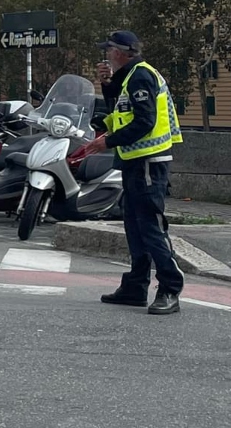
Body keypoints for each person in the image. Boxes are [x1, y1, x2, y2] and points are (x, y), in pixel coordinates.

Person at [77, 30, 185, 315]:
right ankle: (136, 286)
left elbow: (145, 121)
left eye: (109, 50)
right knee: (135, 228)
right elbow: (121, 111)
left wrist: (107, 141)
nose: (106, 55)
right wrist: (107, 85)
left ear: (122, 52)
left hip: (149, 160)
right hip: (134, 161)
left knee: (150, 227)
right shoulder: (128, 77)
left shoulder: (141, 76)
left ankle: (170, 287)